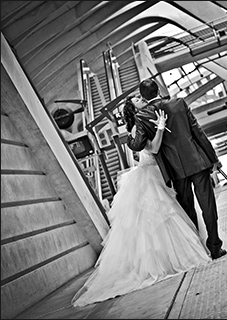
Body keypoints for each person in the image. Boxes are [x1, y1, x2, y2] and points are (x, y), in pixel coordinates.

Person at [71, 96, 211, 308]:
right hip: (150, 175)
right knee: (160, 219)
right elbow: (153, 149)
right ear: (133, 109)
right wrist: (162, 128)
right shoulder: (136, 130)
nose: (141, 98)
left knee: (170, 216)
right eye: (137, 99)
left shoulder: (144, 121)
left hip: (159, 173)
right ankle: (167, 260)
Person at [126, 78, 227, 260]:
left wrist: (129, 138)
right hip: (197, 161)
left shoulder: (141, 117)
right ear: (158, 90)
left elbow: (138, 144)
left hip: (174, 170)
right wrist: (213, 158)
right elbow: (198, 132)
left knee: (187, 208)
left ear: (143, 96)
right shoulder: (179, 103)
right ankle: (214, 246)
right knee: (208, 205)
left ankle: (197, 248)